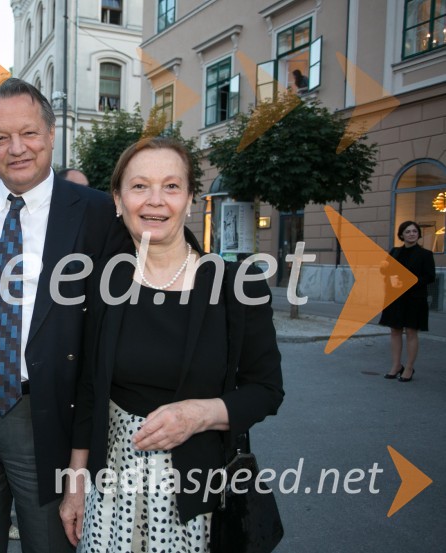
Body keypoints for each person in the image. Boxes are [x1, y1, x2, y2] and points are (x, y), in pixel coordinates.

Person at [60, 137, 284, 552]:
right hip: (111, 492)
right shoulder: (103, 283)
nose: (155, 201)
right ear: (117, 199)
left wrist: (199, 414)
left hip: (196, 496)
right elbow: (88, 391)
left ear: (191, 198)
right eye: (140, 186)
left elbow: (267, 392)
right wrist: (75, 487)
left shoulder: (238, 285)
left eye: (171, 186)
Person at [0, 77, 127, 553]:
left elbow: (106, 327)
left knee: (50, 539)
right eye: (0, 138)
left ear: (50, 134)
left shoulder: (96, 213)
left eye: (28, 133)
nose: (16, 148)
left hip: (46, 410)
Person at [379, 220, 436, 382]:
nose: (412, 234)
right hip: (395, 298)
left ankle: (409, 367)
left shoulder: (425, 254)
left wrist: (409, 281)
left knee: (411, 332)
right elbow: (387, 273)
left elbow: (430, 277)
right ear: (402, 235)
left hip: (414, 299)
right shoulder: (395, 252)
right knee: (395, 331)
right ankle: (396, 365)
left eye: (414, 231)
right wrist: (384, 270)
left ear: (418, 234)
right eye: (408, 231)